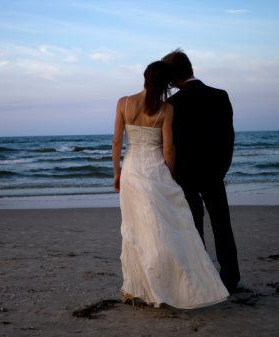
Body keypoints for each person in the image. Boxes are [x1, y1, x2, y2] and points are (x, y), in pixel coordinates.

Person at [112, 61, 229, 309]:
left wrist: (117, 174)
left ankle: (137, 287)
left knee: (134, 230)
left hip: (132, 171)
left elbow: (116, 143)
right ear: (165, 84)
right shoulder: (166, 109)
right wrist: (170, 175)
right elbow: (168, 148)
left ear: (144, 77)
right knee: (166, 228)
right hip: (157, 172)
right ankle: (170, 283)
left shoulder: (123, 103)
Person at [161, 48, 242, 293]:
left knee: (194, 227)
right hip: (214, 172)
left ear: (172, 77)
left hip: (184, 176)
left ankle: (202, 277)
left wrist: (172, 174)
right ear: (190, 69)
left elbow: (169, 145)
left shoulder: (172, 104)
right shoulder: (219, 95)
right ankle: (230, 279)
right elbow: (228, 138)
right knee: (222, 225)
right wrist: (221, 170)